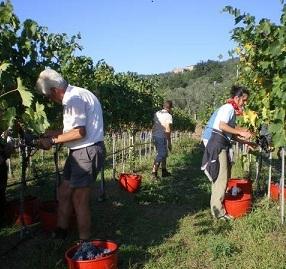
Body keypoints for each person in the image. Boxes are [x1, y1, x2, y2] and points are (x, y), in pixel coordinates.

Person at [36, 69, 104, 242]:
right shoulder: (76, 94)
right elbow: (72, 130)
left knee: (79, 198)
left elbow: (79, 132)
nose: (50, 101)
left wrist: (51, 141)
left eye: (49, 97)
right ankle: (61, 230)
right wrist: (52, 133)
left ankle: (84, 243)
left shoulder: (73, 99)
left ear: (54, 91)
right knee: (64, 191)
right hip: (79, 151)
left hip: (86, 151)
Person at [201, 85, 255, 220]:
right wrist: (241, 131)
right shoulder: (228, 108)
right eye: (244, 100)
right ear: (237, 98)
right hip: (218, 144)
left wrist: (246, 142)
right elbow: (221, 126)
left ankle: (218, 205)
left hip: (221, 143)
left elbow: (229, 133)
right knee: (221, 178)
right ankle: (218, 212)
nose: (245, 103)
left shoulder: (230, 109)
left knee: (222, 176)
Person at [151, 100, 173, 179]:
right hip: (161, 137)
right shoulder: (168, 116)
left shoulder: (157, 113)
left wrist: (152, 136)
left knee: (164, 153)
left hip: (156, 136)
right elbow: (167, 129)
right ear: (170, 108)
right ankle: (154, 173)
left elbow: (154, 126)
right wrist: (169, 142)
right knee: (161, 154)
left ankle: (164, 171)